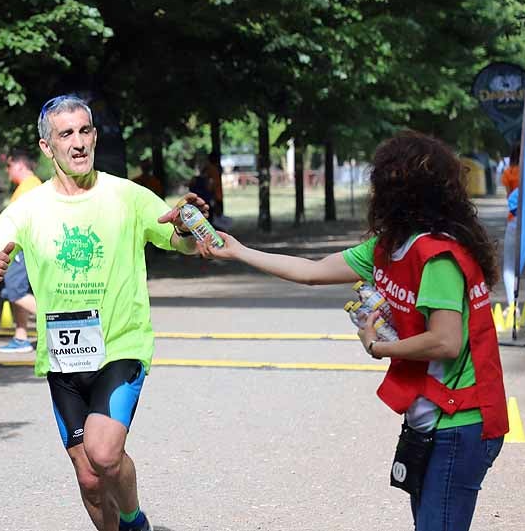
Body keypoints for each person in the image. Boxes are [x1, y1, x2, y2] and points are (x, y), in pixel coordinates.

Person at [197, 131, 506, 531]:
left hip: (461, 420)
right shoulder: (389, 246)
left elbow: (447, 342)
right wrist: (237, 250)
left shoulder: (437, 256)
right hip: (430, 415)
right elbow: (310, 272)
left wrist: (377, 347)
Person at [0, 94, 205, 531]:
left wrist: (188, 228)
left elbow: (183, 242)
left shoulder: (127, 196)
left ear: (95, 136)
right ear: (46, 146)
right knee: (90, 478)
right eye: (66, 134)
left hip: (120, 346)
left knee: (105, 453)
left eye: (85, 130)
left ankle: (134, 522)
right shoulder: (29, 208)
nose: (78, 143)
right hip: (64, 358)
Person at [0, 149, 42, 354]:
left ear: (20, 166)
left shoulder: (30, 187)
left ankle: (57, 325)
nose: (7, 170)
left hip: (22, 247)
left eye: (9, 166)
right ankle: (21, 337)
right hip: (21, 247)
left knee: (16, 292)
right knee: (15, 292)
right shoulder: (28, 186)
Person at [500, 142, 521, 312]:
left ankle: (513, 305)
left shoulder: (509, 173)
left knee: (509, 266)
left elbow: (510, 199)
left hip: (514, 221)